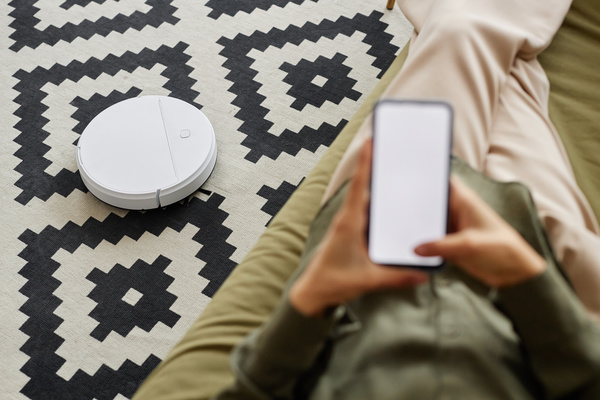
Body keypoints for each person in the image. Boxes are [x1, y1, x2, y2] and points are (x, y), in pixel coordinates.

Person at [212, 0, 600, 398]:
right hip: (546, 280)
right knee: (482, 48)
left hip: (368, 267)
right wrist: (527, 277)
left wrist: (312, 295)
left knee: (461, 33)